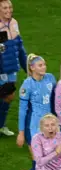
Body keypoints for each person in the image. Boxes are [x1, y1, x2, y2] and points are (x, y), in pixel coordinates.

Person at [17, 53, 56, 170]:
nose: (44, 67)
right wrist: (21, 133)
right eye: (40, 65)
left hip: (50, 124)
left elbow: (56, 100)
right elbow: (22, 110)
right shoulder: (27, 84)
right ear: (32, 68)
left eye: (44, 64)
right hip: (33, 125)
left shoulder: (50, 78)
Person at [0, 0, 27, 136]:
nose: (8, 10)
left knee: (8, 96)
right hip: (1, 69)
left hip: (11, 67)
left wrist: (26, 66)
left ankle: (1, 125)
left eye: (10, 7)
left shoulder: (14, 23)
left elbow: (19, 46)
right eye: (5, 7)